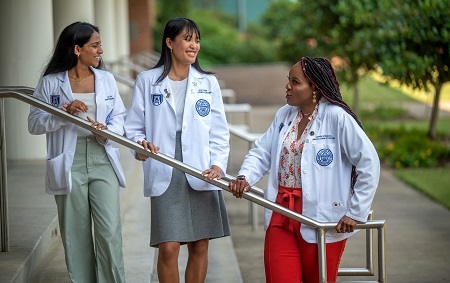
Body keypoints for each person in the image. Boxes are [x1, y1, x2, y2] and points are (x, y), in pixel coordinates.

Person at [229, 57, 380, 283]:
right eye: (288, 80)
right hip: (281, 210)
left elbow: (369, 163)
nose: (288, 86)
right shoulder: (284, 115)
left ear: (315, 89)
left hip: (322, 216)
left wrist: (356, 212)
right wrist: (245, 176)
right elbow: (262, 152)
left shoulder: (337, 118)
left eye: (295, 82)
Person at [124, 17, 230, 283]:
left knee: (200, 244)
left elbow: (219, 131)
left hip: (201, 167)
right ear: (170, 43)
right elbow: (134, 127)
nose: (193, 45)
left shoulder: (208, 83)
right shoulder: (148, 80)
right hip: (165, 165)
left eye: (197, 40)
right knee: (169, 248)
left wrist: (218, 165)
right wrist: (140, 146)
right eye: (187, 39)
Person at [28, 21, 127, 283]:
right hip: (69, 161)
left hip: (101, 156)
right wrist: (64, 113)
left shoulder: (106, 79)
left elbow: (120, 118)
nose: (100, 51)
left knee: (109, 231)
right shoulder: (51, 83)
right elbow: (34, 123)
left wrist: (106, 130)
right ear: (76, 49)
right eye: (94, 45)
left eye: (99, 45)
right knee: (75, 233)